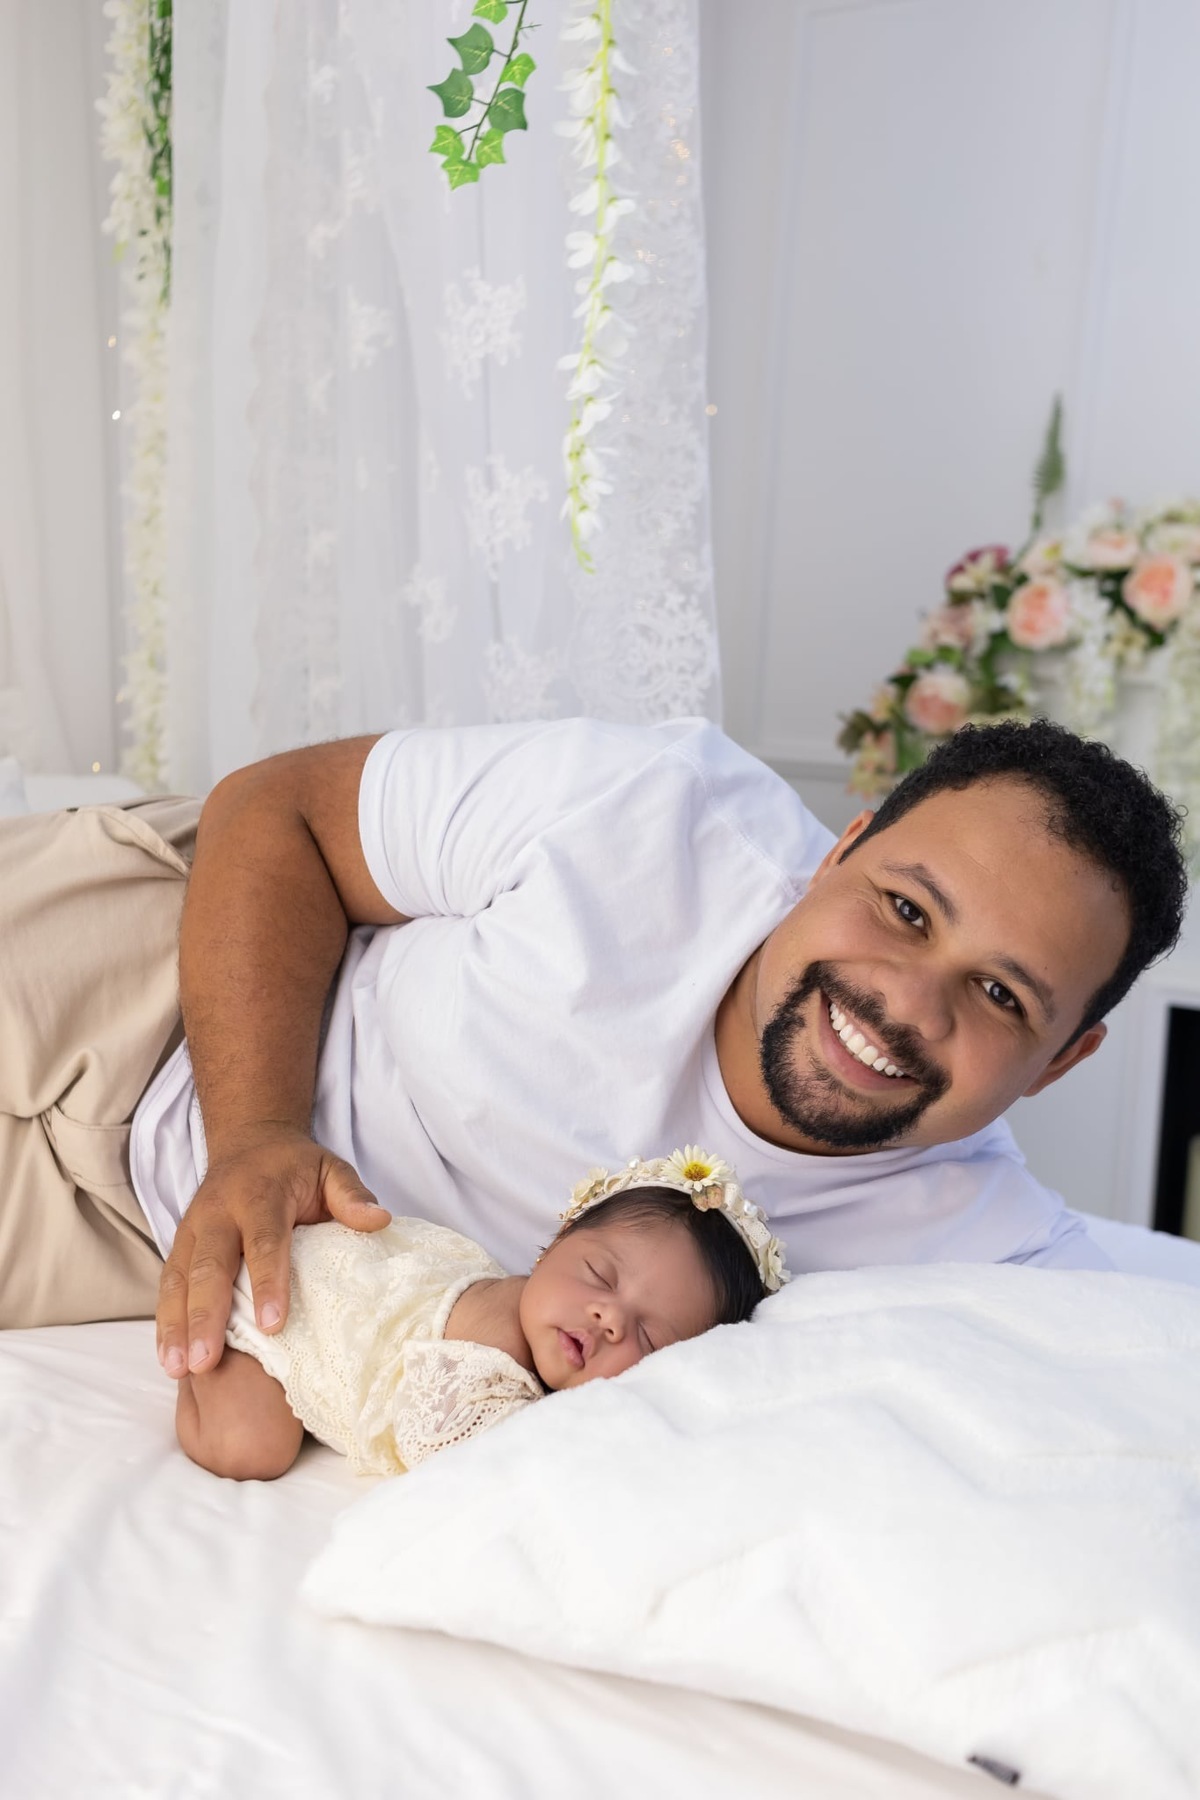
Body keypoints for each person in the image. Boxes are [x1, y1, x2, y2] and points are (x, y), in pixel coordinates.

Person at [0, 717, 1187, 1373]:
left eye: (998, 993)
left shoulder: (998, 1261)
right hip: (156, 967)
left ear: (1062, 1061)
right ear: (840, 848)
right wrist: (257, 1129)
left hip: (159, 1243)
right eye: (905, 908)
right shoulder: (651, 805)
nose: (905, 1003)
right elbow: (279, 806)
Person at [175, 1149, 783, 1481]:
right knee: (250, 1447)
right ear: (557, 1238)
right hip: (285, 1299)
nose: (609, 1319)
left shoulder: (542, 1310)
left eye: (648, 1338)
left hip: (360, 1285)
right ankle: (202, 1351)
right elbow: (446, 1456)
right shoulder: (492, 1356)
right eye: (598, 1276)